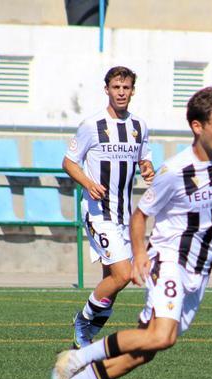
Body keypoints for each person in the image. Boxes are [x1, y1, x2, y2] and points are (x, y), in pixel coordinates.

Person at [46, 87, 212, 379]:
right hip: (169, 260)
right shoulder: (174, 171)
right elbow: (140, 214)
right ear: (197, 126)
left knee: (144, 350)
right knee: (162, 337)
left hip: (199, 270)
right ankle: (77, 358)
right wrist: (140, 257)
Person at [63, 66, 154, 349]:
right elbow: (68, 162)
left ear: (133, 91)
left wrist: (148, 168)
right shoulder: (92, 125)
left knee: (113, 281)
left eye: (126, 88)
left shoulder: (139, 126)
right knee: (123, 274)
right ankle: (83, 319)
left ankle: (87, 337)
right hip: (98, 212)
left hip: (124, 215)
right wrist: (88, 183)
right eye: (116, 87)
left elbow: (144, 159)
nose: (121, 92)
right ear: (107, 90)